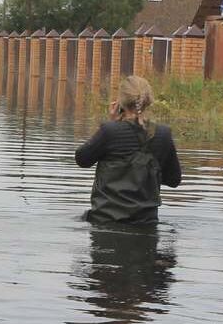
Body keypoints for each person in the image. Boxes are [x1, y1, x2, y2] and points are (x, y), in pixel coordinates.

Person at [74, 76, 181, 224]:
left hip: (105, 223)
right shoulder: (163, 134)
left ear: (121, 103)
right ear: (148, 100)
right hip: (146, 225)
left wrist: (111, 124)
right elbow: (174, 180)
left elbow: (82, 159)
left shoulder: (109, 131)